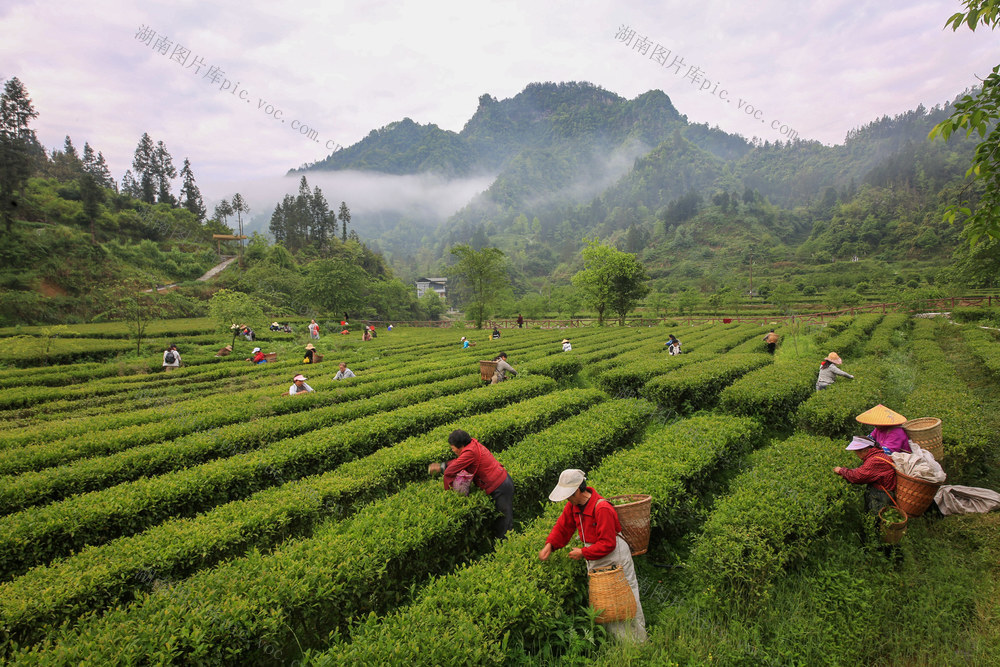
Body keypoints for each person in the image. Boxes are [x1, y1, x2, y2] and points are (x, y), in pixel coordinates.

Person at [538, 469, 646, 643]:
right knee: (607, 603)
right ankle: (623, 643)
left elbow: (608, 543)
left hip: (615, 556)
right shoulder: (573, 506)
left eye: (569, 494)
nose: (567, 499)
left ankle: (640, 641)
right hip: (595, 556)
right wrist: (550, 545)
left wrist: (583, 553)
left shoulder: (602, 508)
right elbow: (563, 527)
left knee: (627, 597)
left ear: (578, 490)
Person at [428, 429, 514, 539]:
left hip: (500, 486)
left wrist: (449, 494)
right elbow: (459, 462)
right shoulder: (472, 445)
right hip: (502, 481)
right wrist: (441, 466)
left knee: (504, 524)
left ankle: (506, 550)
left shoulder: (470, 452)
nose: (452, 450)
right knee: (501, 520)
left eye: (453, 448)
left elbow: (450, 472)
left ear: (461, 446)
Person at [834, 436, 897, 514]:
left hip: (882, 496)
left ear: (865, 450)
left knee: (877, 519)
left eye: (857, 451)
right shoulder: (877, 454)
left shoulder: (874, 461)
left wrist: (841, 471)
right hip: (880, 491)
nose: (856, 454)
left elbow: (858, 476)